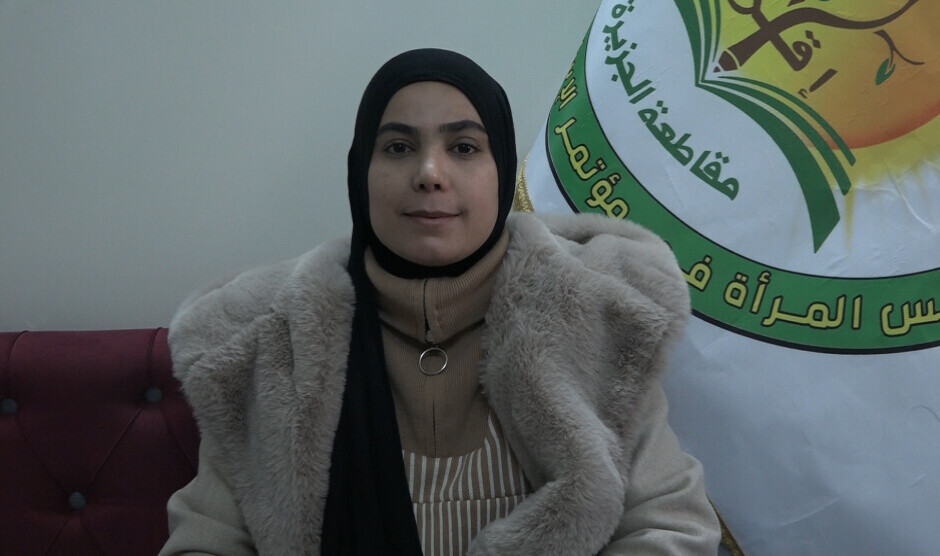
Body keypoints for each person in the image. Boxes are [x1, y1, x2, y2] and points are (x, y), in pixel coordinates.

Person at [161, 48, 720, 555]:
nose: (430, 174)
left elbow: (669, 529)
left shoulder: (598, 316)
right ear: (360, 173)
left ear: (502, 170)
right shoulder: (269, 340)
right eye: (399, 147)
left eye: (464, 147)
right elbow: (204, 543)